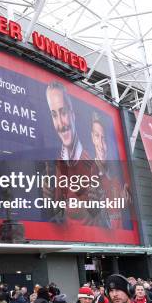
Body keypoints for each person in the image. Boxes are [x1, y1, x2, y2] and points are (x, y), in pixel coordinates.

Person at [42, 81, 103, 226]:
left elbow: (105, 224)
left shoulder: (93, 165)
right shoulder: (54, 168)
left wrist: (98, 210)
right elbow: (54, 221)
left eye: (63, 112)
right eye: (54, 115)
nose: (61, 124)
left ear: (72, 114)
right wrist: (47, 202)